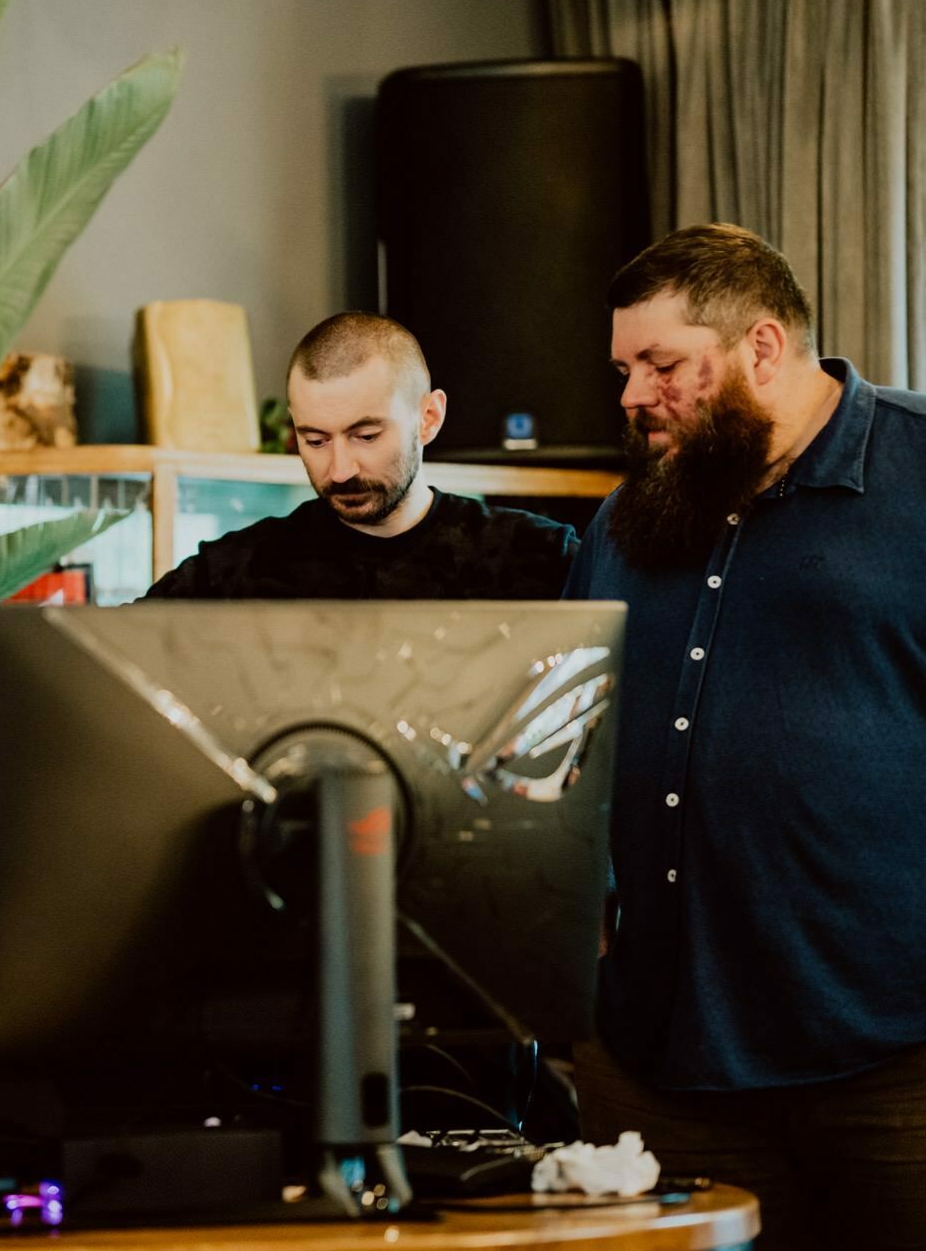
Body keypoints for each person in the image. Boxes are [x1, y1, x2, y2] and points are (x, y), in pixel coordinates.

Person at [565, 223, 926, 1249]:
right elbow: (572, 724)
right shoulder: (629, 513)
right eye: (625, 368)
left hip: (894, 1061)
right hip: (659, 1056)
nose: (633, 395)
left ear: (763, 348)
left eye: (662, 364)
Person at [146, 311, 576, 601]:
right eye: (315, 441)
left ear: (428, 417)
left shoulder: (537, 556)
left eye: (366, 436)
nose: (340, 469)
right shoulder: (234, 572)